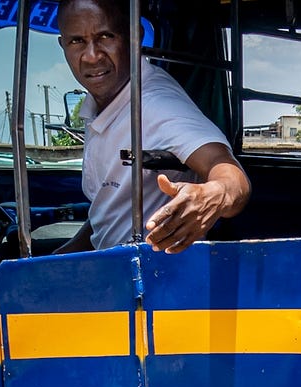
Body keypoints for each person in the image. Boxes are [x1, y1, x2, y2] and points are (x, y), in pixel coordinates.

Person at [52, 0, 250, 254]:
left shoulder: (156, 103)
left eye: (105, 37)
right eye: (77, 41)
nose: (91, 56)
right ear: (63, 46)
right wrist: (56, 261)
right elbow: (109, 212)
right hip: (109, 270)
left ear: (135, 37)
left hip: (154, 276)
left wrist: (214, 194)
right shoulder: (102, 104)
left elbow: (233, 176)